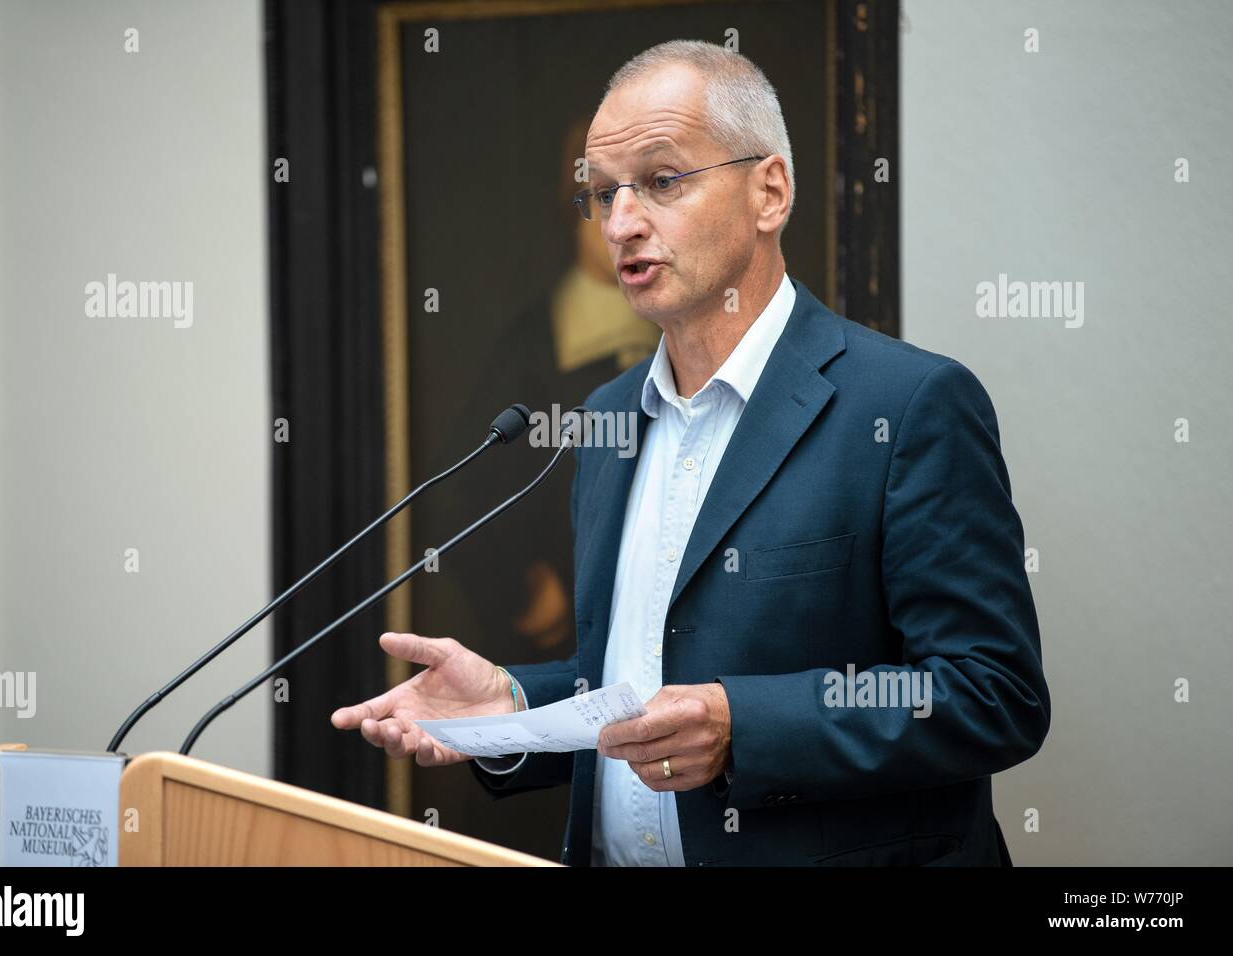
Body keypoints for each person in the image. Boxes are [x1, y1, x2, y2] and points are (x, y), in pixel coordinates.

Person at [331, 40, 1051, 867]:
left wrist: (744, 728)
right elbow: (642, 690)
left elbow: (992, 693)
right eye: (601, 194)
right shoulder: (608, 419)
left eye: (663, 181)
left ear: (769, 191)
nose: (622, 221)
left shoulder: (908, 406)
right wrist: (512, 705)